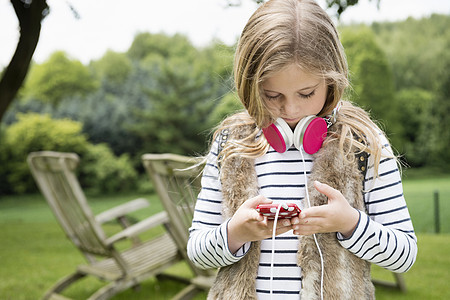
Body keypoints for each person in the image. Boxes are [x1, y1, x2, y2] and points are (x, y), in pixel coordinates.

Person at [187, 0, 417, 299]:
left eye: (306, 93)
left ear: (332, 80)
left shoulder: (362, 143)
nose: (290, 109)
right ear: (249, 85)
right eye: (272, 95)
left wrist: (350, 223)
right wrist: (236, 233)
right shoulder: (231, 145)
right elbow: (197, 253)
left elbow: (404, 255)